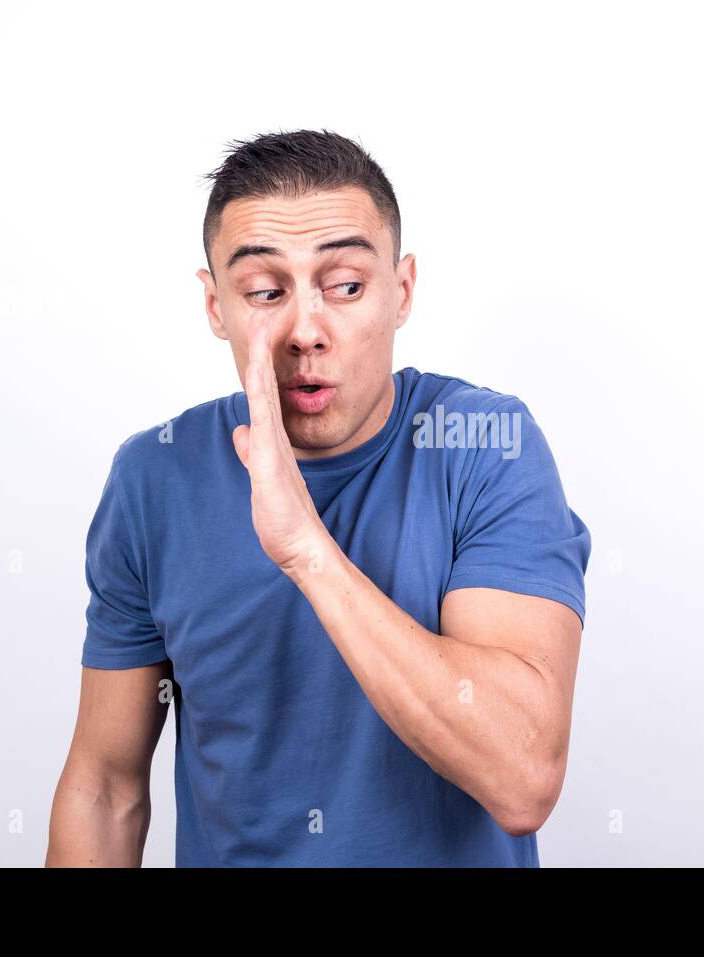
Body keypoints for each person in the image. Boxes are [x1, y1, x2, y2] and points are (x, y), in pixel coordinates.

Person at [46, 129, 591, 866]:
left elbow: (522, 776)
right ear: (216, 306)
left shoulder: (484, 445)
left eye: (345, 286)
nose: (306, 330)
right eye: (266, 292)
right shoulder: (155, 478)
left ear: (400, 292)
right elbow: (106, 786)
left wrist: (306, 549)